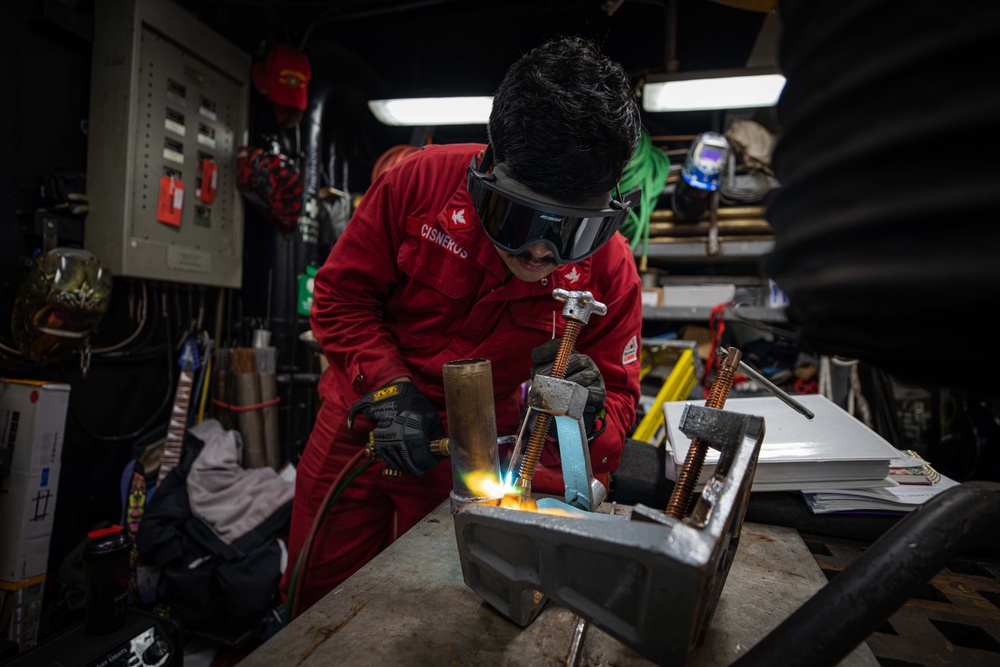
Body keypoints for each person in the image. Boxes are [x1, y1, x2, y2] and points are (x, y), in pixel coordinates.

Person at [280, 34, 645, 614]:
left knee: (441, 613)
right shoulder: (417, 185)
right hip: (365, 428)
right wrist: (387, 387)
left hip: (479, 461)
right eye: (521, 217)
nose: (542, 255)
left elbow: (620, 402)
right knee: (316, 605)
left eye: (570, 232)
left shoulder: (611, 270)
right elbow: (340, 298)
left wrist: (589, 415)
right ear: (488, 170)